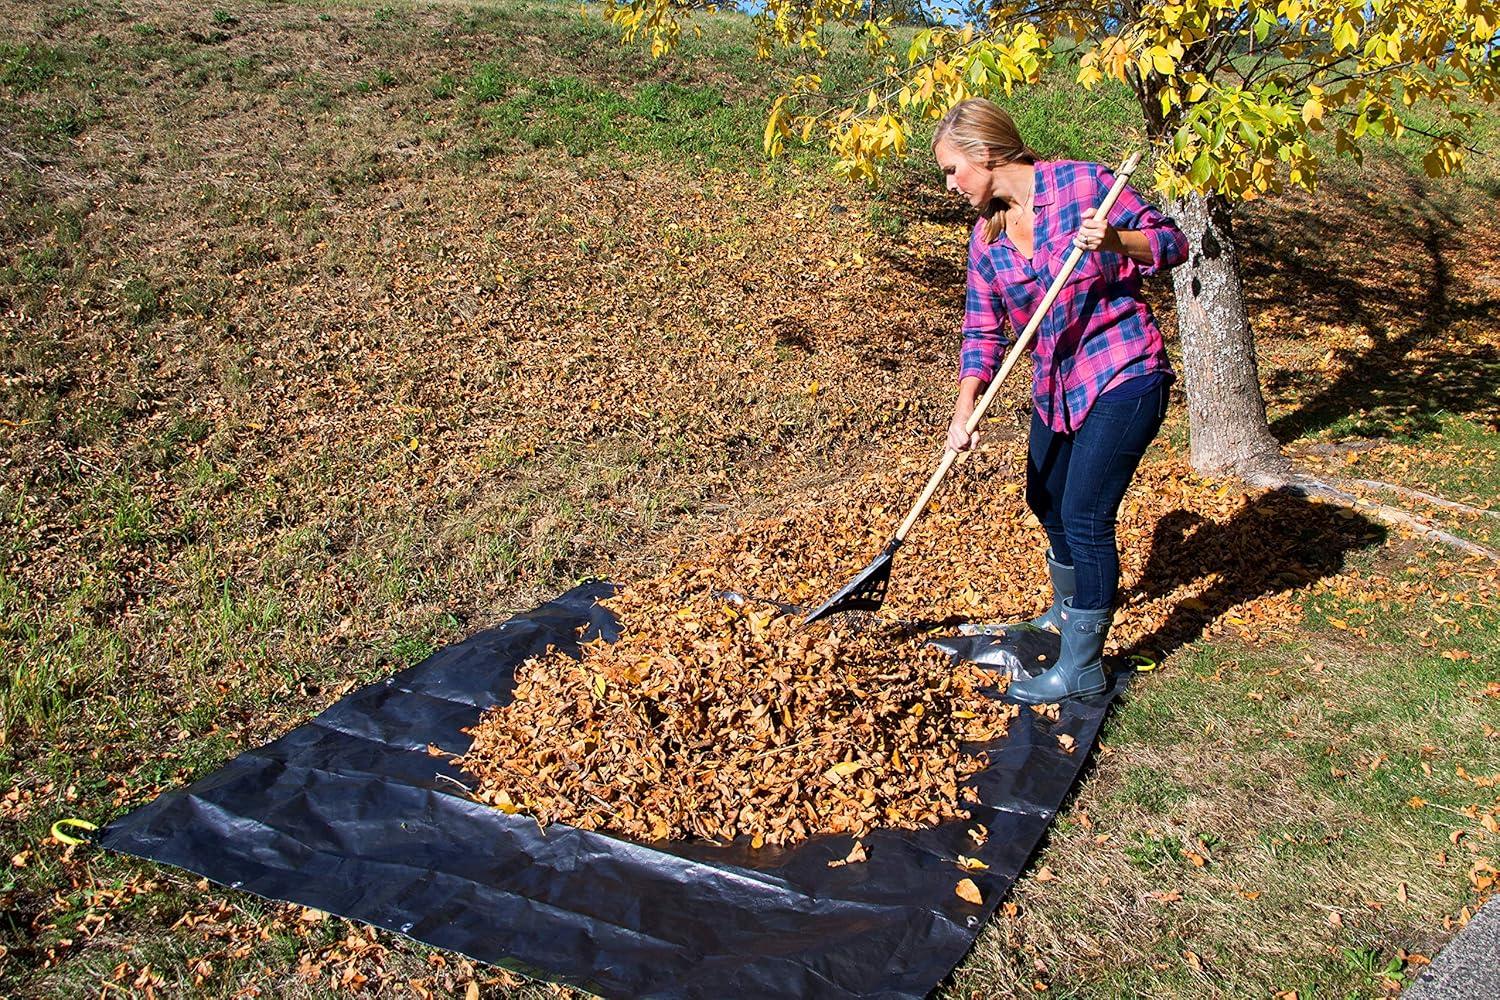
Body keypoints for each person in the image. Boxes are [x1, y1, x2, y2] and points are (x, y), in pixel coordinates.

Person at [930, 98, 1188, 704]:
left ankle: (1081, 667)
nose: (949, 184)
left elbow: (1171, 243)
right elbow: (982, 329)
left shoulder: (1084, 185)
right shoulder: (985, 236)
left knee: (1084, 516)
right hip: (1055, 386)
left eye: (951, 170)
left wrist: (1117, 241)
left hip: (1122, 371)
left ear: (985, 155)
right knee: (1043, 497)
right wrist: (964, 409)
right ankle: (1069, 611)